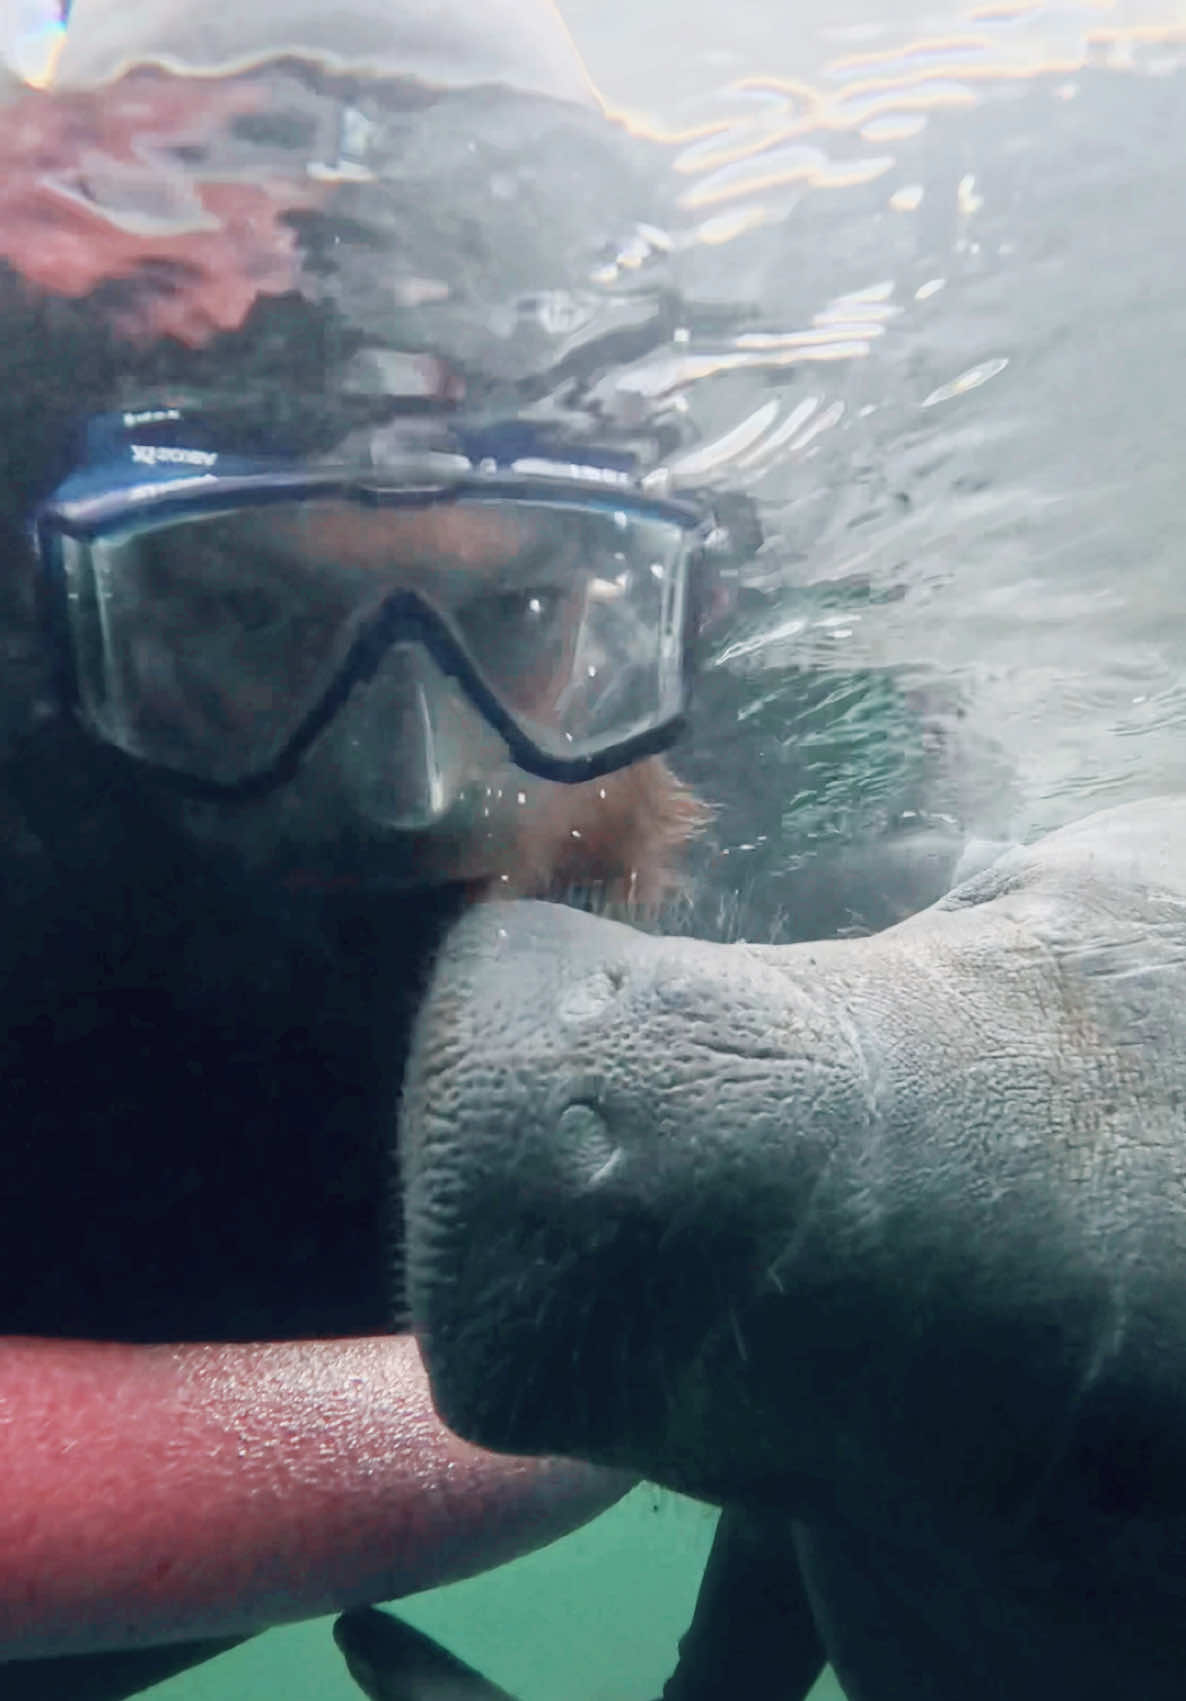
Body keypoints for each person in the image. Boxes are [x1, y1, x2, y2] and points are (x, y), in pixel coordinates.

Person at [0, 1, 727, 1694]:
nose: (409, 787)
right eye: (247, 613)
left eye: (522, 608)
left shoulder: (715, 811)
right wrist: (592, 1401)